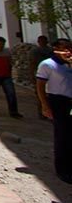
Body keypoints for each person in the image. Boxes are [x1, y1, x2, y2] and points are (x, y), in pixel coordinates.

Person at [36, 38, 72, 184]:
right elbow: (40, 86)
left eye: (69, 48)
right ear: (55, 48)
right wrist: (44, 105)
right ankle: (63, 169)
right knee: (62, 135)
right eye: (64, 48)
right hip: (58, 102)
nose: (67, 50)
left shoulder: (69, 65)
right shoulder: (47, 65)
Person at [30, 36, 54, 118]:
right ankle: (42, 112)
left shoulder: (51, 50)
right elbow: (32, 63)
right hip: (39, 74)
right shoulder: (35, 51)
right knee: (41, 93)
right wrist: (32, 75)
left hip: (51, 75)